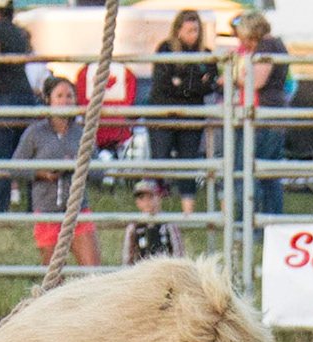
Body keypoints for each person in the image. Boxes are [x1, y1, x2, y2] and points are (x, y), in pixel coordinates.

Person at [13, 75, 100, 269]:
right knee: (53, 276)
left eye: (69, 96)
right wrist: (41, 173)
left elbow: (99, 173)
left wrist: (78, 168)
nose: (65, 101)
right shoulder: (35, 133)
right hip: (47, 211)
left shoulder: (82, 133)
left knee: (94, 272)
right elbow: (15, 167)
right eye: (59, 96)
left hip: (78, 211)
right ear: (48, 100)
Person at [148, 8, 217, 220]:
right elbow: (164, 83)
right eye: (189, 30)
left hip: (191, 116)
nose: (193, 35)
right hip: (163, 115)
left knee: (188, 162)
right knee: (160, 160)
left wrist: (181, 83)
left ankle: (188, 214)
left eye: (196, 30)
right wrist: (194, 85)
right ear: (178, 30)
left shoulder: (206, 54)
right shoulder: (165, 49)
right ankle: (154, 212)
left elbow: (210, 84)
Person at [230, 10, 289, 223]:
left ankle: (249, 224)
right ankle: (270, 224)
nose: (244, 43)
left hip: (264, 115)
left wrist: (234, 77)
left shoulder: (266, 46)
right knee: (268, 174)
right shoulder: (276, 44)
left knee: (249, 170)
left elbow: (257, 81)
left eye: (245, 37)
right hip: (273, 113)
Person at [0, 0, 37, 214]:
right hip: (25, 95)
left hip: (3, 96)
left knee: (1, 154)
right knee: (28, 152)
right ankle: (35, 206)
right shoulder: (19, 33)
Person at [123, 177, 184, 263]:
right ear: (137, 202)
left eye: (150, 197)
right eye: (141, 198)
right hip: (142, 269)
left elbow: (179, 254)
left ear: (159, 197)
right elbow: (128, 258)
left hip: (165, 267)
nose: (146, 202)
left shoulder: (168, 224)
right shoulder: (134, 227)